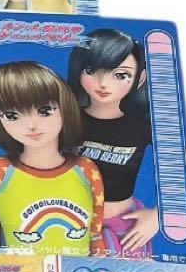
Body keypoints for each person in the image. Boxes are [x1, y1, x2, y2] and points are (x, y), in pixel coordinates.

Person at [0, 61, 104, 256]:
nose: (31, 125)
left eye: (45, 111)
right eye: (11, 115)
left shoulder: (86, 169)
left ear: (65, 107)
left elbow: (96, 239)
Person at [67, 28, 157, 256]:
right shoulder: (63, 120)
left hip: (124, 230)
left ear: (140, 78)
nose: (103, 83)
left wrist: (159, 215)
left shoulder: (143, 127)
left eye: (120, 75)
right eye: (91, 71)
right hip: (67, 224)